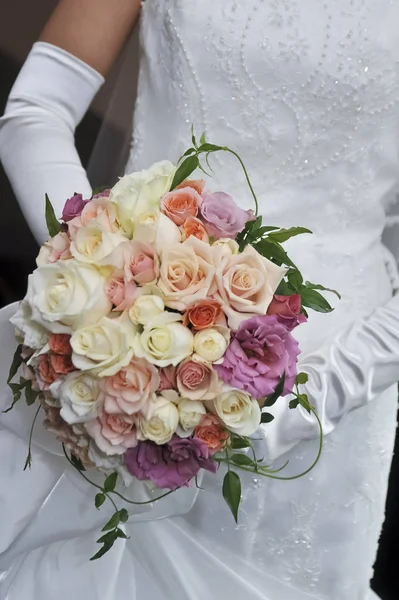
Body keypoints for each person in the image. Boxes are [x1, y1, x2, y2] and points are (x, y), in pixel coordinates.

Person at [0, 1, 398, 598]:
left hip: (339, 381)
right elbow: (37, 107)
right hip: (113, 358)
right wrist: (97, 273)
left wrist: (325, 393)